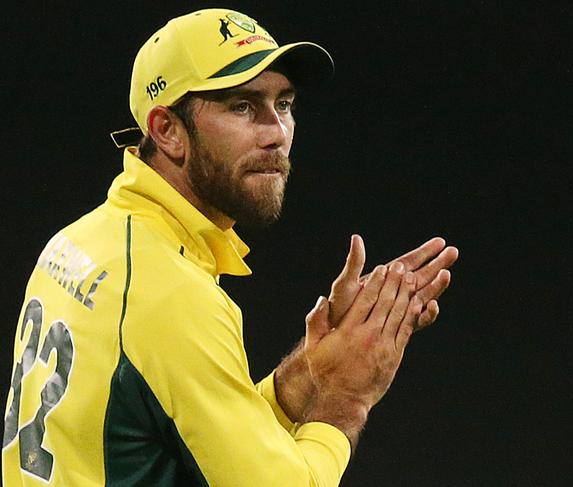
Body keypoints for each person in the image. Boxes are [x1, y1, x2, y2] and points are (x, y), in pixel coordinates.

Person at [2, 8, 458, 486]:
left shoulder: (84, 240)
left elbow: (191, 430)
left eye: (284, 104)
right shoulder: (169, 294)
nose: (276, 133)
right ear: (167, 130)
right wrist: (345, 400)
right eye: (242, 106)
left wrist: (308, 374)